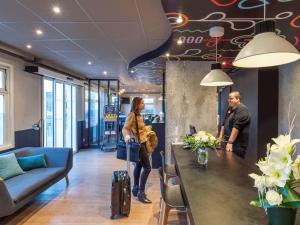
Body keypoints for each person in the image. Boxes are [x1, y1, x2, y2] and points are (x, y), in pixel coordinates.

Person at [122, 97, 152, 204]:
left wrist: (146, 132)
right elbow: (125, 128)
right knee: (147, 168)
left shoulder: (139, 115)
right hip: (139, 145)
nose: (144, 104)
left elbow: (140, 129)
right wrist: (126, 136)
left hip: (143, 142)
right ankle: (141, 193)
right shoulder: (132, 115)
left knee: (139, 166)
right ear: (137, 104)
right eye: (142, 103)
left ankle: (135, 188)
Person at [219, 91, 251, 158]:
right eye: (228, 98)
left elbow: (236, 127)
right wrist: (219, 139)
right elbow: (223, 124)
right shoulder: (229, 109)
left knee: (235, 166)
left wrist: (230, 142)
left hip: (237, 145)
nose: (229, 100)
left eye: (231, 98)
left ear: (238, 99)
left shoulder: (242, 110)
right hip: (227, 142)